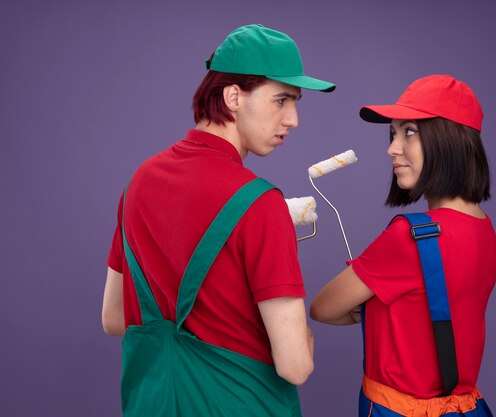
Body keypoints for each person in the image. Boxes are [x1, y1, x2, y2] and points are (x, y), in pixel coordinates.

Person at [101, 24, 335, 417]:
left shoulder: (139, 182)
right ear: (233, 97)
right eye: (281, 100)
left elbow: (113, 318)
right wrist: (305, 337)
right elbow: (296, 366)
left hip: (154, 404)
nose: (293, 119)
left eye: (296, 102)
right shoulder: (261, 204)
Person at [310, 74, 496, 417]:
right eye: (393, 133)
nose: (392, 148)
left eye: (409, 132)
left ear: (448, 140)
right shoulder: (484, 229)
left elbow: (322, 308)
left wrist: (368, 307)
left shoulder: (410, 237)